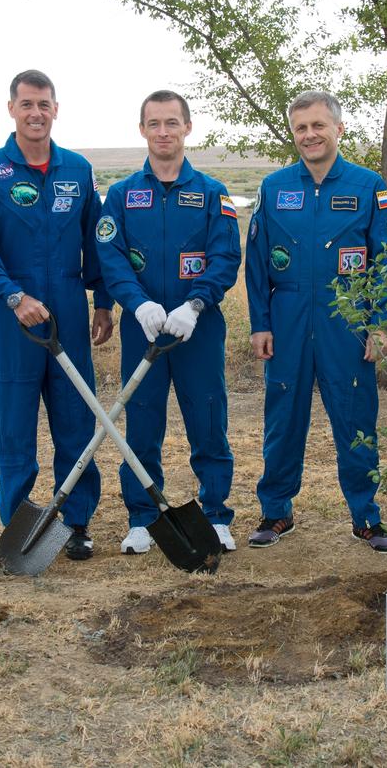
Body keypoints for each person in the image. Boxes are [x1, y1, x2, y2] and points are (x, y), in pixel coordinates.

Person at [0, 70, 115, 561]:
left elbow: (97, 241)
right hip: (13, 318)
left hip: (67, 307)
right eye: (26, 104)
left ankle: (76, 523)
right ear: (11, 109)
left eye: (44, 104)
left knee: (75, 420)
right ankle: (22, 527)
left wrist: (104, 302)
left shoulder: (77, 170)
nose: (35, 113)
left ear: (55, 109)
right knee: (14, 425)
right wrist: (12, 295)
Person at [244, 90, 387, 552]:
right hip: (289, 315)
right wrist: (260, 322)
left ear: (339, 128)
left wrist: (382, 322)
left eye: (318, 126)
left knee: (355, 419)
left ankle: (366, 517)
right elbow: (255, 263)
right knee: (283, 419)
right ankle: (276, 511)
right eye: (300, 128)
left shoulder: (368, 185)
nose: (309, 135)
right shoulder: (274, 188)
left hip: (346, 318)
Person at [97, 90, 241, 555]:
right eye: (154, 123)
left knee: (208, 420)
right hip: (143, 329)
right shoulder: (120, 196)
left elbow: (225, 257)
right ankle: (142, 517)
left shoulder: (212, 193)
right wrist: (137, 304)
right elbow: (111, 259)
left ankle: (215, 514)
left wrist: (195, 305)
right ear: (142, 130)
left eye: (172, 123)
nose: (163, 132)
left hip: (196, 329)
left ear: (187, 128)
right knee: (140, 422)